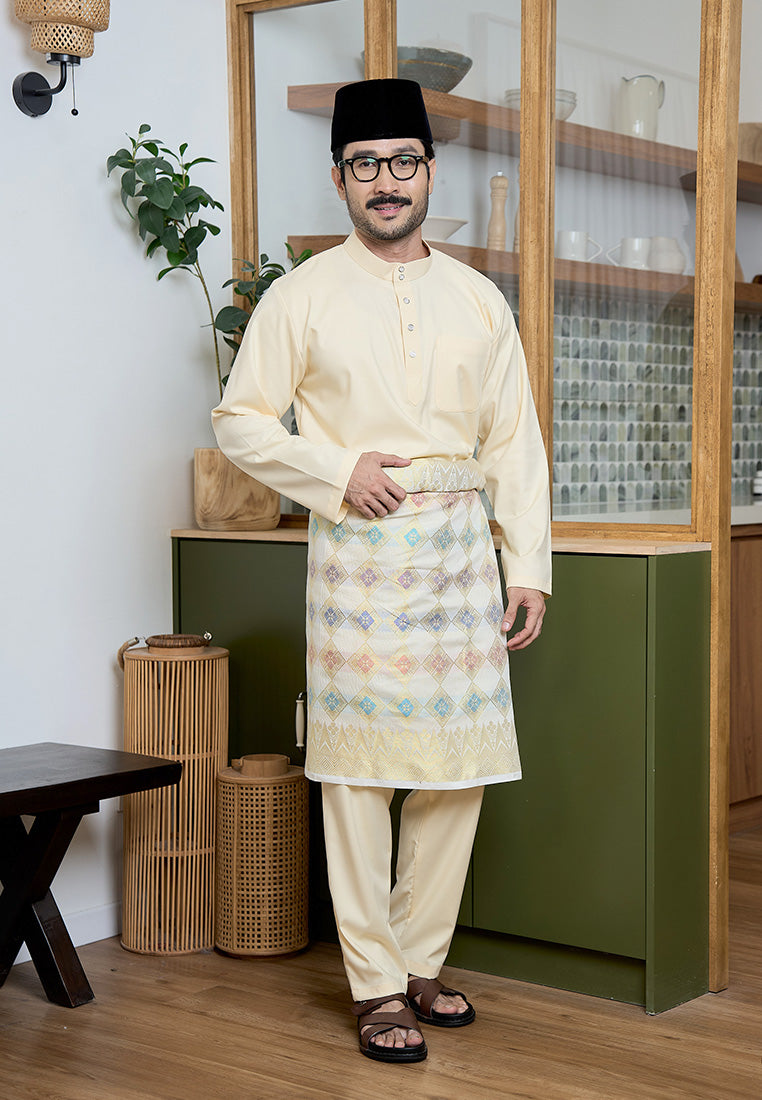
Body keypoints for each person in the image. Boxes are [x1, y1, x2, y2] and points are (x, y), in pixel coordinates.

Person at [212, 78, 551, 1064]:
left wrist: (525, 562)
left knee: (458, 769)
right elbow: (238, 419)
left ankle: (418, 961)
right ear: (339, 180)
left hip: (457, 553)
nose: (387, 181)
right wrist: (334, 470)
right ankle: (372, 983)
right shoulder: (302, 295)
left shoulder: (479, 298)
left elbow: (516, 440)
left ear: (430, 171)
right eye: (366, 165)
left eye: (404, 161)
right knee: (355, 773)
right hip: (356, 546)